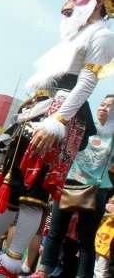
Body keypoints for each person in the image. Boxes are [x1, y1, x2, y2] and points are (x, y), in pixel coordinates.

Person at [0, 0, 114, 278]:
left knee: (34, 190)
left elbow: (87, 83)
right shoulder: (74, 35)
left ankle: (14, 258)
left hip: (61, 116)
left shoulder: (102, 35)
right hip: (41, 110)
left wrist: (58, 120)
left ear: (97, 4)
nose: (68, 3)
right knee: (12, 183)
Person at [31, 95, 114, 278]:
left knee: (86, 239)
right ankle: (43, 271)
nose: (103, 108)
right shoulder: (85, 126)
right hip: (69, 182)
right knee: (55, 231)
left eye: (110, 107)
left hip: (97, 190)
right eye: (102, 103)